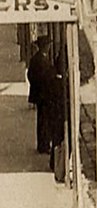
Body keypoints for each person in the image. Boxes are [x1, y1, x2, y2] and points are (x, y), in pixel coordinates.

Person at [27, 37, 62, 166]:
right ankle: (43, 145)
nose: (49, 47)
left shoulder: (40, 58)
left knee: (43, 120)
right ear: (43, 47)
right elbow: (35, 76)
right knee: (44, 120)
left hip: (41, 94)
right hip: (43, 94)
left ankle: (43, 143)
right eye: (47, 45)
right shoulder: (39, 60)